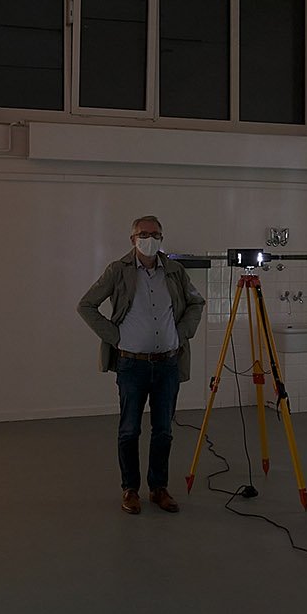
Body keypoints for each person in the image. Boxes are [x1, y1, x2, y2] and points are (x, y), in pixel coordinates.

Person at [77, 215, 207, 514]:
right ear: (133, 239)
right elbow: (86, 305)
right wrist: (115, 336)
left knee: (163, 430)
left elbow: (196, 303)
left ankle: (158, 488)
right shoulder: (118, 270)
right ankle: (130, 489)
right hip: (131, 364)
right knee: (129, 430)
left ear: (162, 237)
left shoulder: (174, 271)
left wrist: (182, 332)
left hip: (168, 364)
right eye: (144, 233)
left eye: (155, 233)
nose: (150, 238)